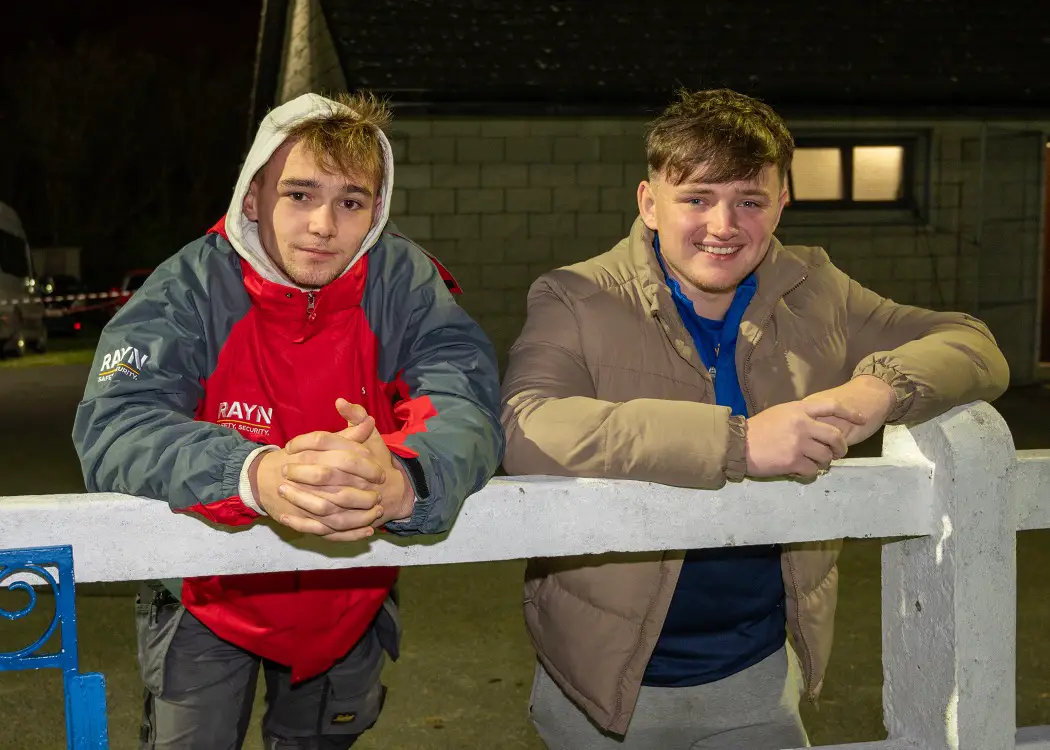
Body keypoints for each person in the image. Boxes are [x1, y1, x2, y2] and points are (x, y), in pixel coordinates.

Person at [500, 88, 1009, 749]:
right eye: (696, 198)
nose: (723, 224)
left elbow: (972, 342)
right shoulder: (577, 296)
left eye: (750, 200)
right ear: (649, 203)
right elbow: (528, 426)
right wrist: (739, 442)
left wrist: (876, 391)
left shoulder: (815, 290)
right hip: (600, 686)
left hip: (759, 674)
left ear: (781, 203)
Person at [72, 92, 503, 749]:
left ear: (377, 210)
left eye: (351, 202)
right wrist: (252, 473)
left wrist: (406, 477)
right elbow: (117, 423)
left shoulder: (403, 281)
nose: (323, 225)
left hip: (350, 595)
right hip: (207, 595)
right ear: (253, 198)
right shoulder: (188, 285)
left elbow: (462, 398)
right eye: (299, 195)